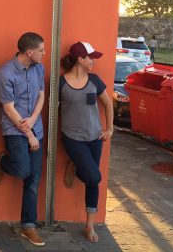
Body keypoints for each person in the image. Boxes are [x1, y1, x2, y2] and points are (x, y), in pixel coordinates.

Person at [0, 32, 46, 247]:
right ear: (29, 52)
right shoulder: (5, 73)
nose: (44, 54)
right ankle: (3, 162)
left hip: (35, 126)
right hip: (14, 130)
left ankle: (28, 226)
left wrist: (33, 121)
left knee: (33, 180)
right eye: (41, 50)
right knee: (23, 171)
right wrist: (29, 133)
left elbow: (42, 94)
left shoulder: (39, 68)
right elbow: (9, 108)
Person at [59, 42, 113, 243]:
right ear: (80, 59)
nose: (93, 61)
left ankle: (89, 225)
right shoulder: (61, 83)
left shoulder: (95, 80)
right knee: (94, 177)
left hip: (95, 137)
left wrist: (110, 128)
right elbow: (52, 110)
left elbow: (107, 103)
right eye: (90, 58)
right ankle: (75, 163)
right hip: (72, 138)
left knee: (92, 180)